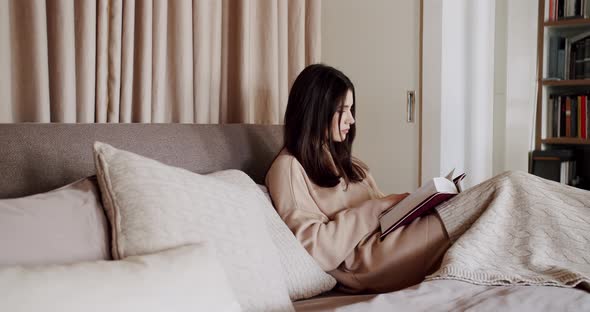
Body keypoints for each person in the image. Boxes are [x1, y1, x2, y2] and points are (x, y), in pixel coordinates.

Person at [265, 64, 450, 293]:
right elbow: (316, 248)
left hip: (391, 241)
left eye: (352, 109)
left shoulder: (351, 165)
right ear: (316, 110)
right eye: (343, 109)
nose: (351, 120)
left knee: (475, 203)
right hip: (368, 262)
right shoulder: (288, 168)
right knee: (498, 192)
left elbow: (384, 215)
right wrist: (378, 207)